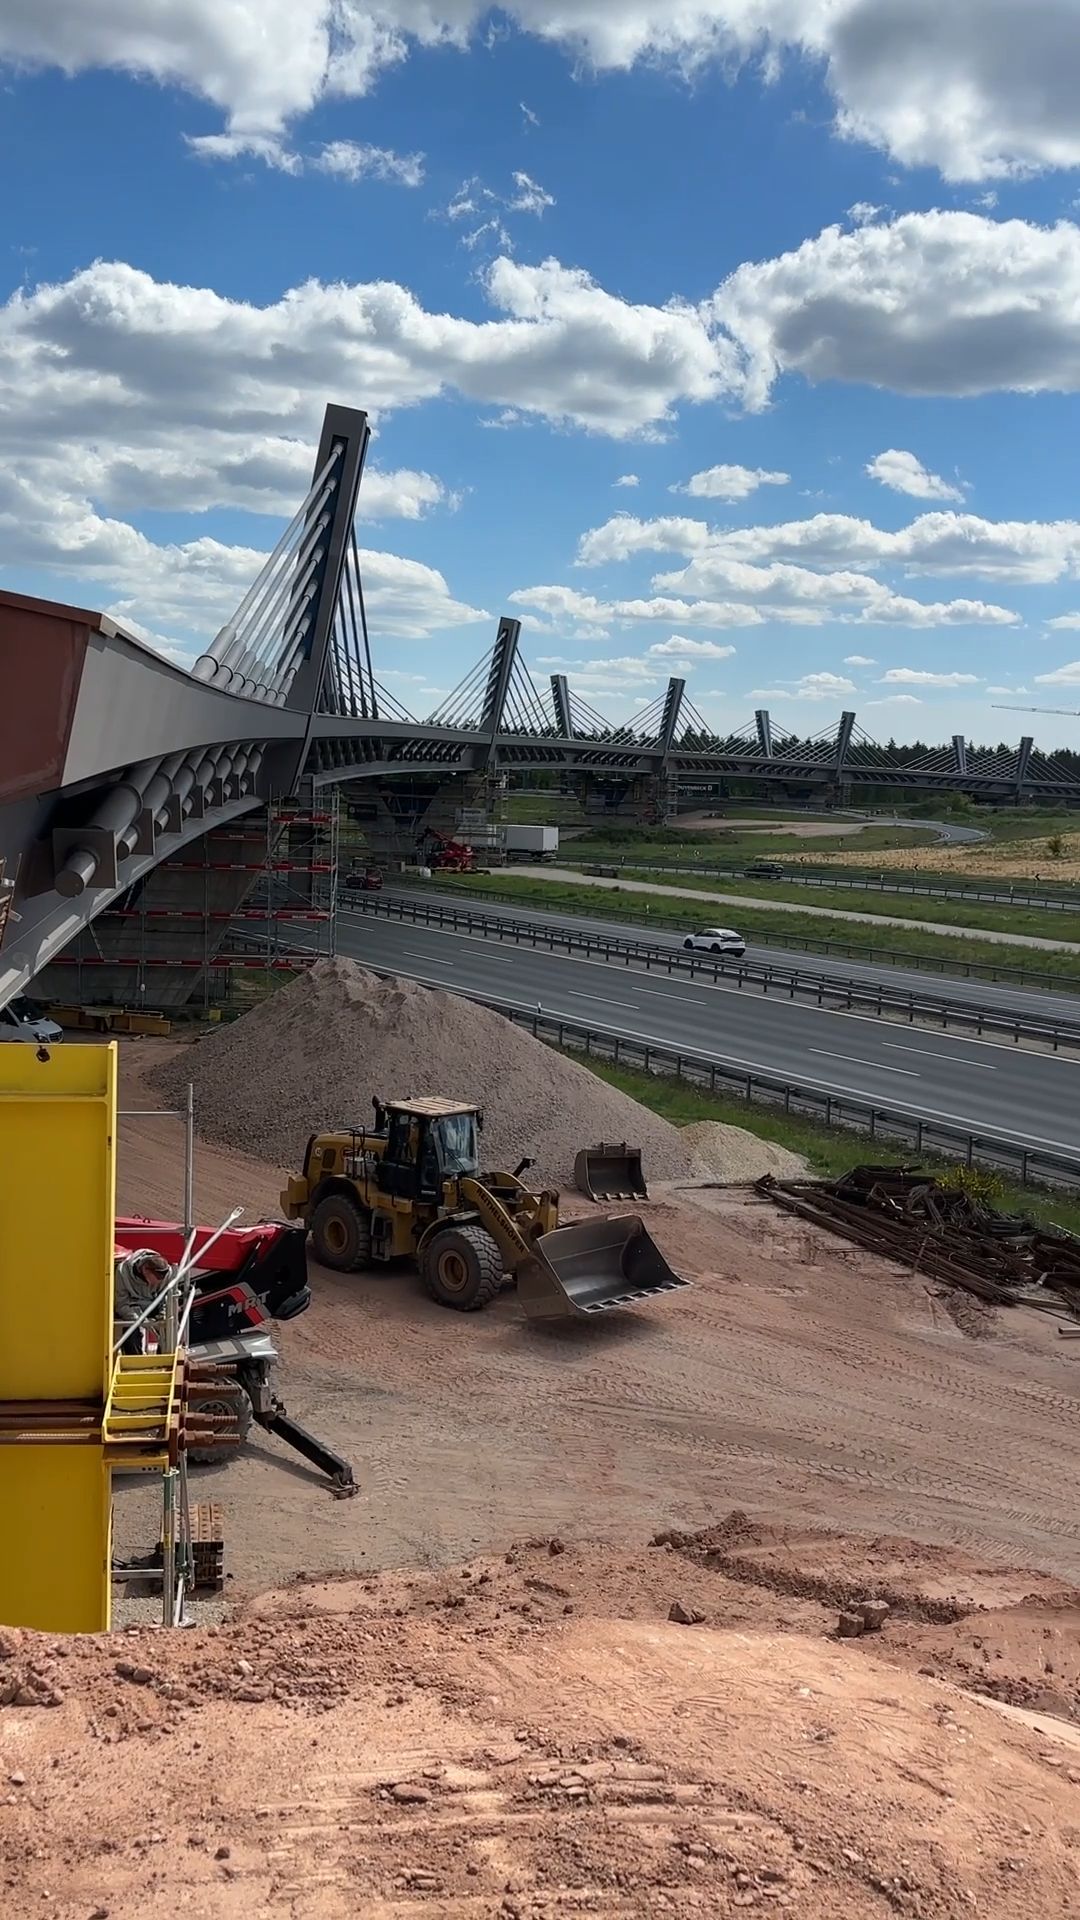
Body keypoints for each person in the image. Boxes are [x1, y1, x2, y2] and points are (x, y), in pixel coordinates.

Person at [114, 1247, 171, 1354]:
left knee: (171, 1326)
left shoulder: (167, 1273)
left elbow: (167, 1299)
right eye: (153, 1282)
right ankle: (134, 1360)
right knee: (130, 1330)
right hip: (132, 1309)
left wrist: (164, 1315)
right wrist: (138, 1320)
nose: (155, 1285)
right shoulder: (122, 1272)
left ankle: (165, 1356)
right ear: (145, 1269)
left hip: (154, 1306)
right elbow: (121, 1304)